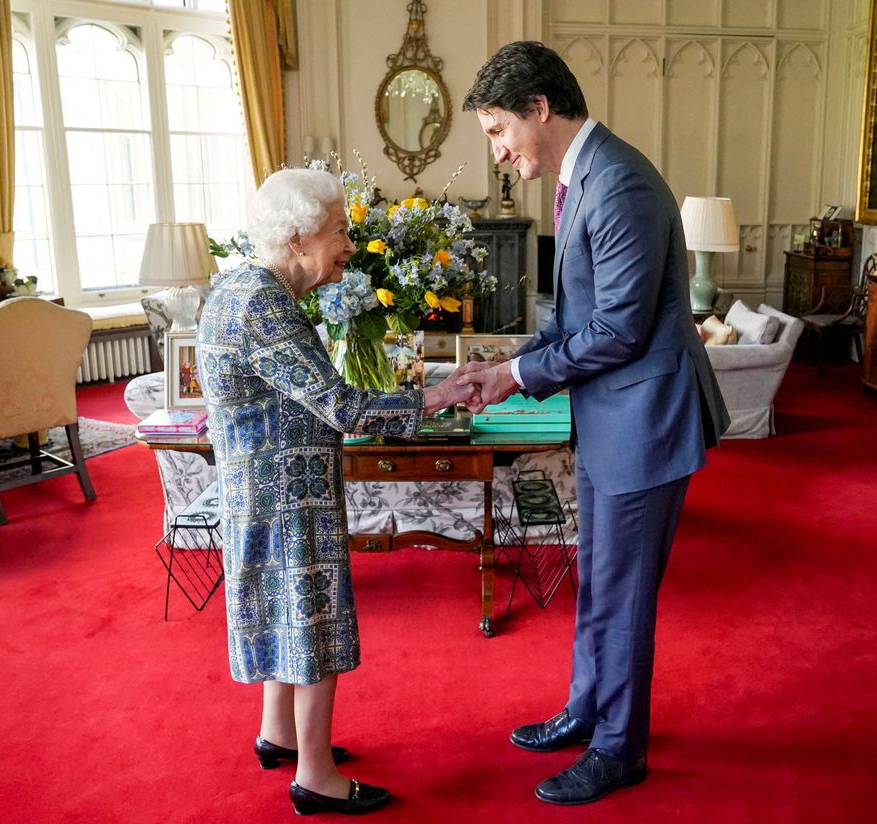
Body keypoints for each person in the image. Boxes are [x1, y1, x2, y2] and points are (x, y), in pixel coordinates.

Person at [460, 41, 730, 806]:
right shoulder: (583, 178)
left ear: (539, 108)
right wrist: (504, 366)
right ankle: (587, 709)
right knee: (599, 585)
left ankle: (620, 748)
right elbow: (573, 316)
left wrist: (514, 376)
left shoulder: (618, 186)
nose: (499, 150)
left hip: (645, 421)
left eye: (496, 130)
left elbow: (616, 332)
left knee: (621, 592)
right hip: (613, 418)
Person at [196, 168, 477, 816]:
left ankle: (279, 734)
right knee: (313, 623)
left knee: (285, 613)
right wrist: (435, 395)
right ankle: (315, 777)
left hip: (262, 489)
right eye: (339, 231)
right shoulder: (262, 303)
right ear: (297, 238)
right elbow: (343, 408)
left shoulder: (244, 287)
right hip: (286, 498)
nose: (348, 245)